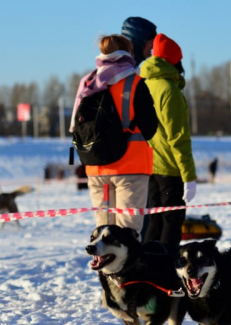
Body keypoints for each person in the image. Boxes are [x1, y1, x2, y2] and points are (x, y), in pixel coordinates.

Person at [72, 34, 158, 233]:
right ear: (128, 53)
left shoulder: (88, 83)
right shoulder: (135, 83)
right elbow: (150, 127)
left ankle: (103, 264)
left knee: (103, 234)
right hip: (131, 169)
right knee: (127, 235)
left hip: (96, 168)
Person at [140, 33, 197, 257]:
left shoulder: (144, 84)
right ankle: (164, 270)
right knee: (171, 223)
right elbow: (178, 137)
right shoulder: (168, 90)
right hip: (169, 169)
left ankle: (146, 269)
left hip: (148, 165)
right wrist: (189, 176)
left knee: (154, 223)